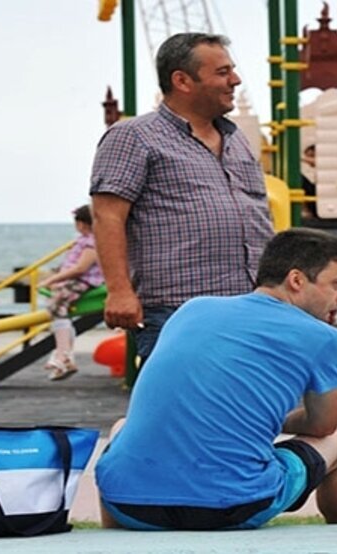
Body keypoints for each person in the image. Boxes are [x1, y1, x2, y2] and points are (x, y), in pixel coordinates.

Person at [96, 229, 337, 530]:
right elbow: (322, 426)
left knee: (123, 426)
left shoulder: (192, 309)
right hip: (234, 506)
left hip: (127, 505)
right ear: (297, 280)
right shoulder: (323, 337)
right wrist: (274, 420)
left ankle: (116, 537)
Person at [90, 32, 274, 363]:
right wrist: (119, 291)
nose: (236, 80)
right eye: (222, 72)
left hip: (251, 306)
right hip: (178, 311)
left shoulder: (237, 139)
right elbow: (108, 216)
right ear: (182, 81)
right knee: (186, 411)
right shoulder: (133, 137)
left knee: (250, 411)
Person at [38, 204, 104, 381]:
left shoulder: (91, 242)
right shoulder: (84, 240)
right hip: (75, 281)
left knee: (57, 307)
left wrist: (52, 280)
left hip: (83, 282)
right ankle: (66, 357)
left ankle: (62, 354)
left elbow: (80, 268)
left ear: (82, 224)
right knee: (60, 312)